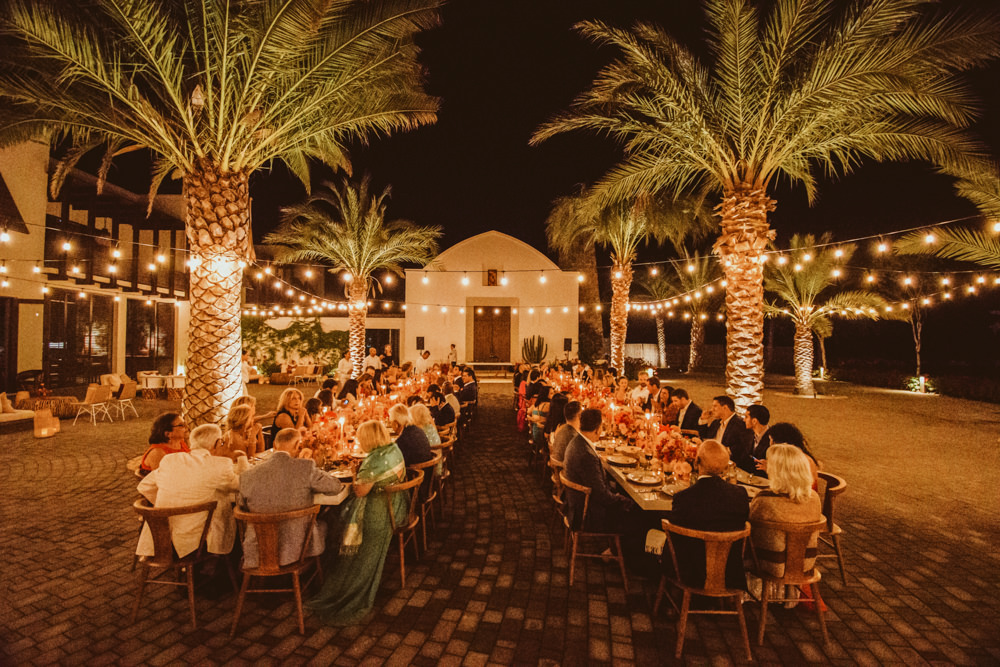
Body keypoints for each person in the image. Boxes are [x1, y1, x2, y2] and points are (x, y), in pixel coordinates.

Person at [308, 420, 409, 625]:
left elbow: (360, 491)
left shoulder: (374, 462)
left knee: (338, 523)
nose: (360, 443)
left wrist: (355, 473)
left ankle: (341, 578)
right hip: (398, 506)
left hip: (381, 514)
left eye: (362, 439)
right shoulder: (392, 448)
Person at [136, 423, 247, 558]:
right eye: (222, 442)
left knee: (216, 500)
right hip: (193, 545)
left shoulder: (170, 460)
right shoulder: (218, 465)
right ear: (218, 443)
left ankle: (209, 567)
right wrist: (242, 458)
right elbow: (244, 485)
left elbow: (145, 486)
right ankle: (218, 565)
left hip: (157, 541)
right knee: (224, 509)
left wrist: (165, 509)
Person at [238, 428, 342, 568]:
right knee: (327, 522)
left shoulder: (247, 475)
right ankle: (328, 575)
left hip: (258, 552)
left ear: (274, 445)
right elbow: (335, 487)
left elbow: (241, 505)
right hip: (297, 550)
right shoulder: (305, 467)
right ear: (298, 446)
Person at [562, 409, 650, 566]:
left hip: (575, 505)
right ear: (598, 429)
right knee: (639, 515)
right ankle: (631, 560)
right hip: (587, 516)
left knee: (628, 502)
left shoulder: (577, 442)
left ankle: (620, 551)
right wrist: (624, 499)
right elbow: (601, 495)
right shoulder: (586, 454)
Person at [668, 440, 750, 589]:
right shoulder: (740, 495)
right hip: (729, 574)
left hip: (689, 573)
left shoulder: (684, 498)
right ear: (725, 468)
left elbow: (675, 535)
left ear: (696, 462)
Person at [749, 444, 823, 579]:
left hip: (770, 564)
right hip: (805, 564)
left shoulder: (764, 500)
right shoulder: (814, 499)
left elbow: (750, 529)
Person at [700, 395, 750, 469]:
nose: (712, 409)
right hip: (711, 461)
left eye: (715, 406)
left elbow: (742, 448)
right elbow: (704, 436)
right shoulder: (716, 423)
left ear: (725, 408)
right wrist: (703, 419)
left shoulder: (740, 424)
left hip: (727, 465)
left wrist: (722, 450)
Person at [742, 405, 772, 474]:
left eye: (746, 417)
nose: (744, 420)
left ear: (754, 421)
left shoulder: (773, 439)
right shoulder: (748, 434)